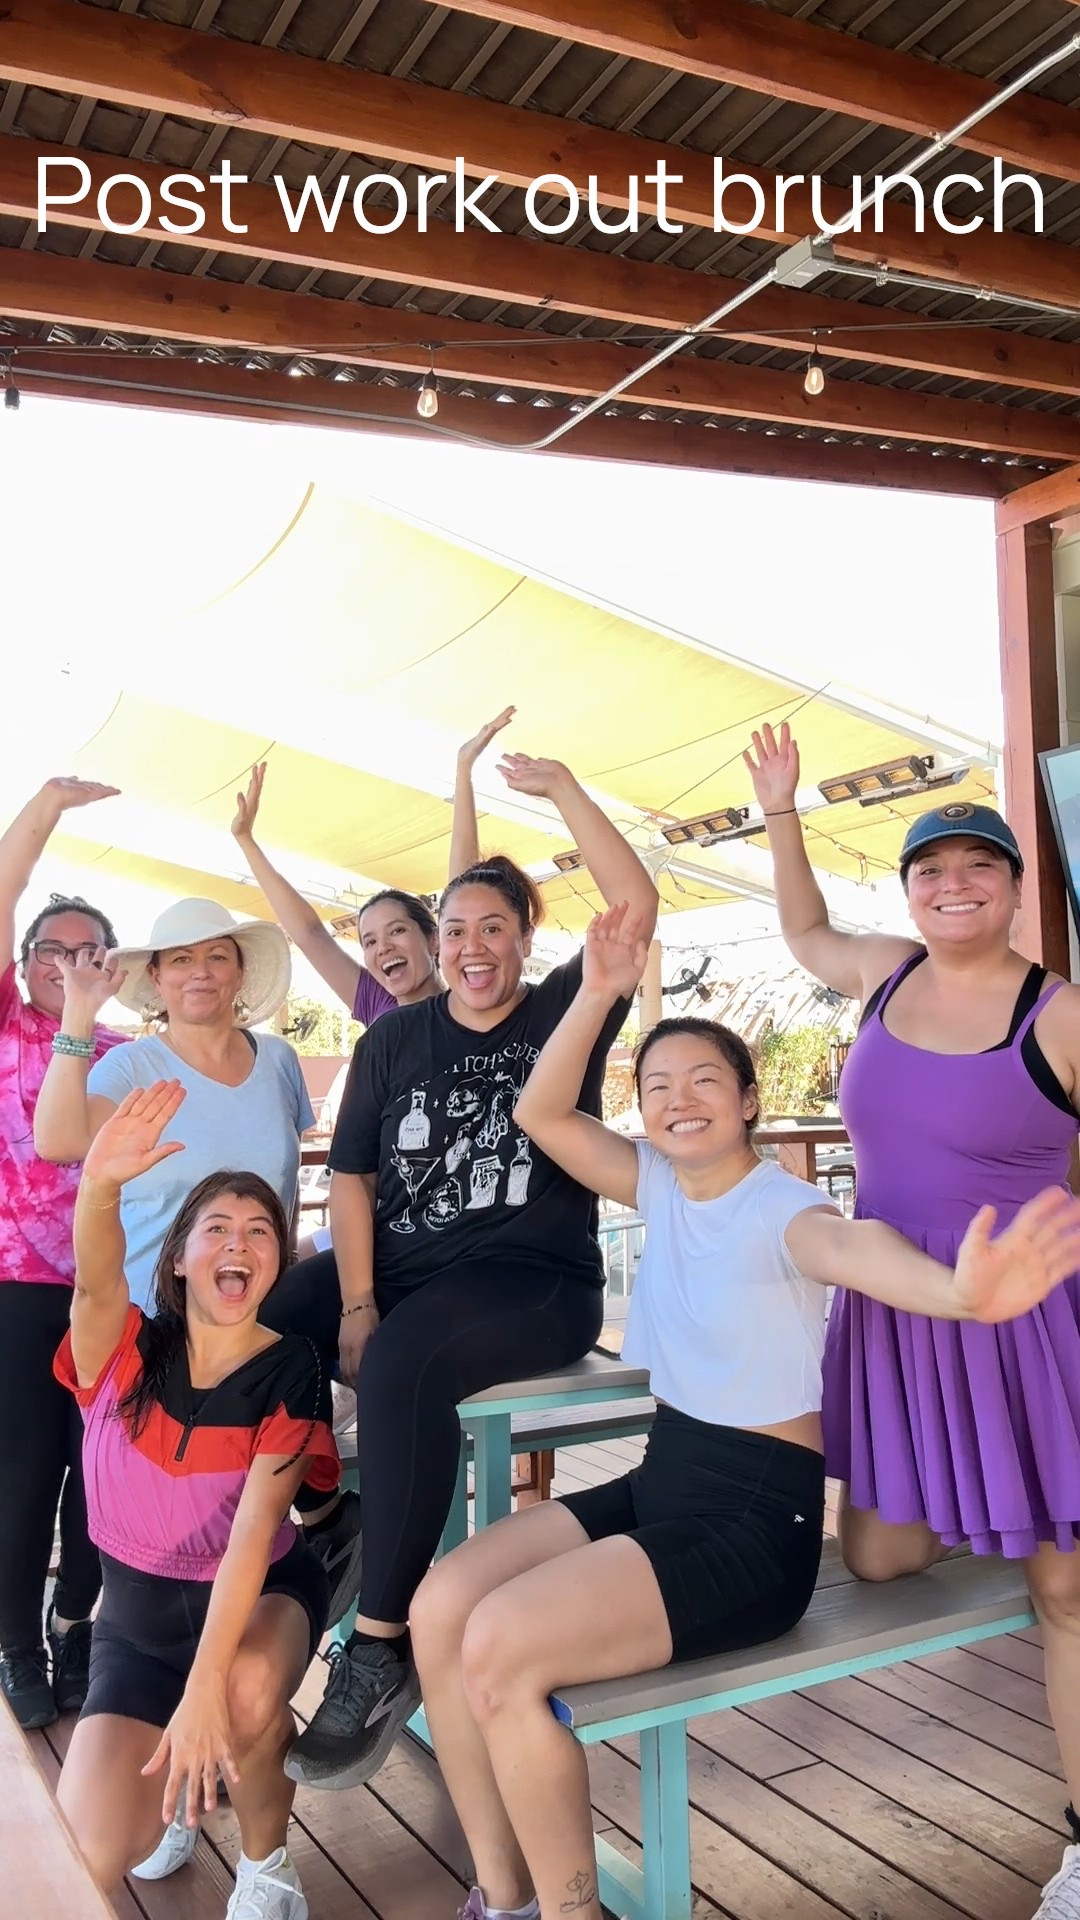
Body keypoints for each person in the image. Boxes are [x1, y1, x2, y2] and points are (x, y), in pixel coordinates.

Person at [408, 902, 1080, 1920]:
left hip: (752, 1525)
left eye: (705, 1082)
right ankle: (501, 1893)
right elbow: (542, 1115)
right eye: (659, 1088)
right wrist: (595, 990)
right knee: (440, 1605)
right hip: (666, 1481)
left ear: (751, 1099)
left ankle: (570, 1909)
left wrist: (958, 1294)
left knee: (501, 1642)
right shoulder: (661, 1188)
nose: (680, 1103)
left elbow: (856, 1252)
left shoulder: (786, 1209)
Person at [274, 748, 661, 1792]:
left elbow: (631, 903)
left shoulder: (557, 1014)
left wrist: (567, 790)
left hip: (531, 1278)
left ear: (526, 941)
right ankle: (328, 1516)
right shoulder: (395, 1037)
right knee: (268, 1321)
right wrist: (352, 1297)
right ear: (433, 947)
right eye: (455, 931)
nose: (473, 948)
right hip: (402, 1268)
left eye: (495, 928)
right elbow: (349, 1180)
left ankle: (382, 1644)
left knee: (400, 1365)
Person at [745, 719, 1080, 1919]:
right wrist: (781, 809)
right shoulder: (884, 972)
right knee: (879, 1557)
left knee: (1064, 1588)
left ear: (1012, 889)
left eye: (976, 869)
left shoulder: (1059, 1013)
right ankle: (1001, 1503)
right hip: (895, 1308)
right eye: (931, 870)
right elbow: (801, 933)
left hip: (1027, 1326)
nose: (952, 885)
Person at [54, 1080, 337, 1920]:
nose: (238, 1243)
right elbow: (95, 1280)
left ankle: (265, 1863)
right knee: (91, 1853)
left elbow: (253, 1538)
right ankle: (179, 1795)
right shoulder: (125, 1349)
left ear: (275, 1264)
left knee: (242, 1699)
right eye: (216, 1228)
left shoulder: (293, 1369)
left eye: (259, 1232)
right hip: (135, 1622)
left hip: (259, 1598)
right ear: (179, 1257)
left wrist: (205, 1687)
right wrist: (99, 1186)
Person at [0, 774, 124, 1730]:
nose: (70, 963)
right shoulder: (5, 1026)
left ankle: (77, 1626)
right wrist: (42, 809)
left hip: (104, 1289)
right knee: (24, 1471)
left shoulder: (121, 1049)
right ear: (28, 959)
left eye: (91, 951)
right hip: (14, 1290)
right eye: (54, 949)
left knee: (96, 1475)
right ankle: (15, 1641)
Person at [229, 708, 516, 1035]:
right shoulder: (376, 1003)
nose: (384, 947)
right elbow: (311, 934)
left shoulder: (466, 997)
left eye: (396, 931)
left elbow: (463, 891)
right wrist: (245, 840)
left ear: (434, 939)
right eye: (369, 941)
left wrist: (463, 771)